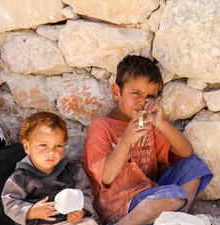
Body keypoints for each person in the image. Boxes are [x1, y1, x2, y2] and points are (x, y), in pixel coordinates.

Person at [84, 55, 213, 225]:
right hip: (119, 205)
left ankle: (168, 218)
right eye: (135, 93)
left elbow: (185, 152)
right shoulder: (101, 126)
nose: (142, 101)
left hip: (151, 195)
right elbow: (106, 177)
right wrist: (126, 139)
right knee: (174, 196)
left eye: (150, 96)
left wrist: (162, 124)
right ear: (116, 92)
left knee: (193, 165)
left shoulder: (149, 125)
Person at [1, 112, 98, 225]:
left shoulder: (72, 170)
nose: (51, 152)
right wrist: (31, 211)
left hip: (67, 222)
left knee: (89, 223)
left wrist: (81, 211)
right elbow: (10, 203)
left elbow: (86, 192)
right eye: (43, 145)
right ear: (27, 147)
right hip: (39, 223)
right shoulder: (20, 177)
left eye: (58, 146)